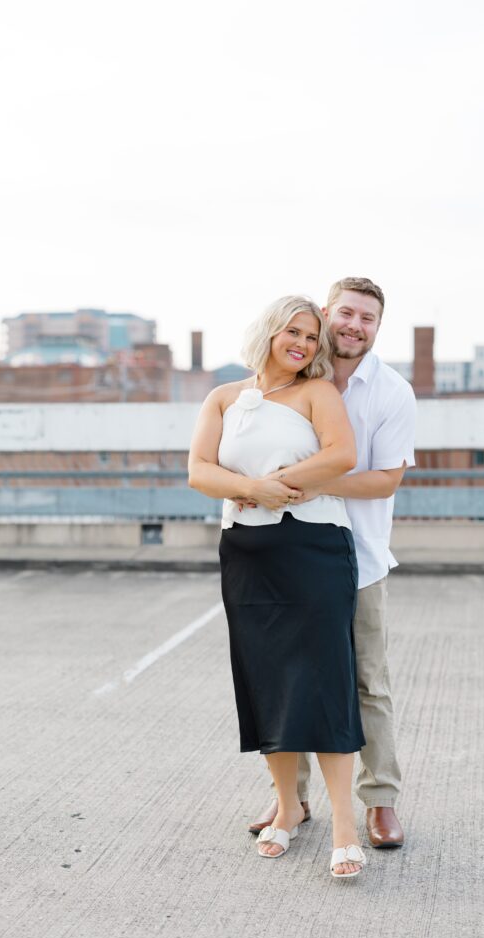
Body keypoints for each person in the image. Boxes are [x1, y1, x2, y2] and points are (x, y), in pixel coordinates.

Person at [188, 295, 368, 878]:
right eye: (293, 331)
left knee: (325, 680)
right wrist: (246, 489)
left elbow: (343, 454)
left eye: (312, 337)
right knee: (267, 681)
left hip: (313, 551)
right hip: (246, 554)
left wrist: (271, 486)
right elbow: (199, 470)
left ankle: (345, 827)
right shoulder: (223, 398)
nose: (303, 343)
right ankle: (287, 809)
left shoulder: (318, 394)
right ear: (268, 332)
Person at [248, 277, 417, 849]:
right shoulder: (294, 379)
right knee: (289, 677)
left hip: (361, 558)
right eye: (346, 313)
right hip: (290, 555)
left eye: (367, 318)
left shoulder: (390, 391)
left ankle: (381, 800)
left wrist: (301, 483)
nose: (355, 325)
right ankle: (289, 799)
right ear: (327, 314)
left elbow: (387, 477)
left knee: (368, 681)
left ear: (376, 328)